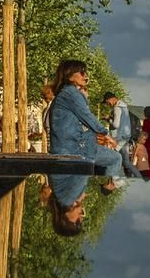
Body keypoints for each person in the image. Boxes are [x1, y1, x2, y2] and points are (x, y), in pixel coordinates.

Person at [48, 59, 122, 187]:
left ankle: (92, 187)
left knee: (103, 159)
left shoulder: (64, 93)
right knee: (115, 158)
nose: (85, 75)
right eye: (82, 72)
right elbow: (87, 117)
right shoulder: (71, 93)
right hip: (72, 149)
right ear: (70, 75)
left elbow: (81, 121)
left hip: (65, 146)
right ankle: (108, 188)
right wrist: (106, 135)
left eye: (85, 72)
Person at [101, 92, 141, 179]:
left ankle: (111, 179)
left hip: (119, 138)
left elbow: (116, 125)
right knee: (126, 162)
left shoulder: (117, 108)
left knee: (112, 159)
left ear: (110, 99)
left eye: (107, 102)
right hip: (125, 136)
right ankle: (138, 177)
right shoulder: (124, 107)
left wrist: (108, 119)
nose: (108, 104)